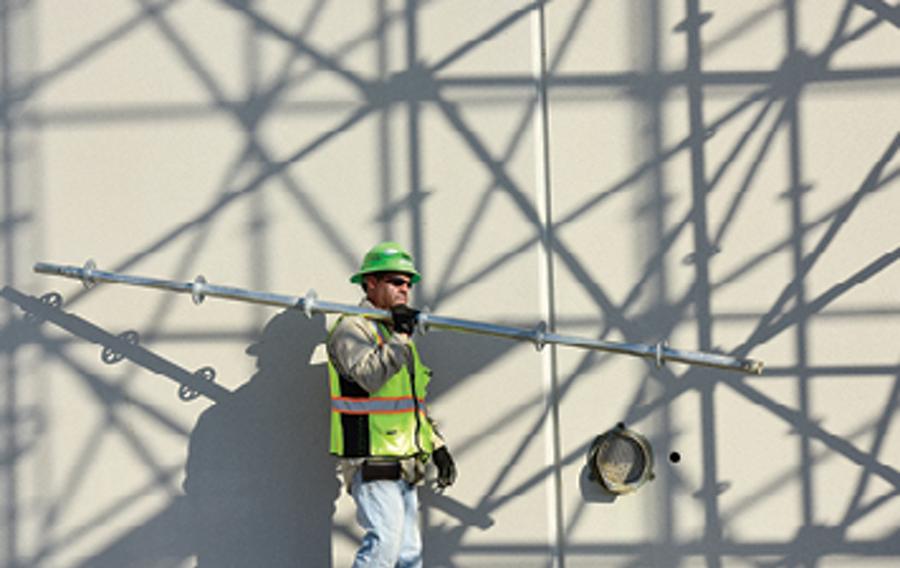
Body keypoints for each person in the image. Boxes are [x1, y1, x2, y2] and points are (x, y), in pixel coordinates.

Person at [327, 241, 457, 567]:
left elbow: (412, 403)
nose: (405, 289)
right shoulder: (352, 328)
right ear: (370, 283)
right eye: (396, 282)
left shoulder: (398, 336)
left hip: (405, 461)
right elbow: (369, 377)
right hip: (373, 460)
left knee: (408, 556)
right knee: (383, 546)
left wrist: (437, 446)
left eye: (408, 284)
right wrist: (400, 337)